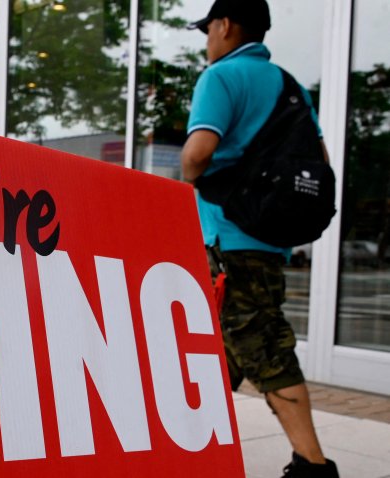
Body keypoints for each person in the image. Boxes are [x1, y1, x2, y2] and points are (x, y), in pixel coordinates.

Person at [180, 1, 339, 477]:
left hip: (230, 240)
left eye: (208, 29)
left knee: (265, 347)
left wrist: (183, 181)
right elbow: (322, 158)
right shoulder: (290, 87)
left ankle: (313, 466)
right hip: (268, 241)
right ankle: (194, 445)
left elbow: (198, 153)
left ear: (225, 26)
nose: (207, 40)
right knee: (219, 347)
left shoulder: (221, 77)